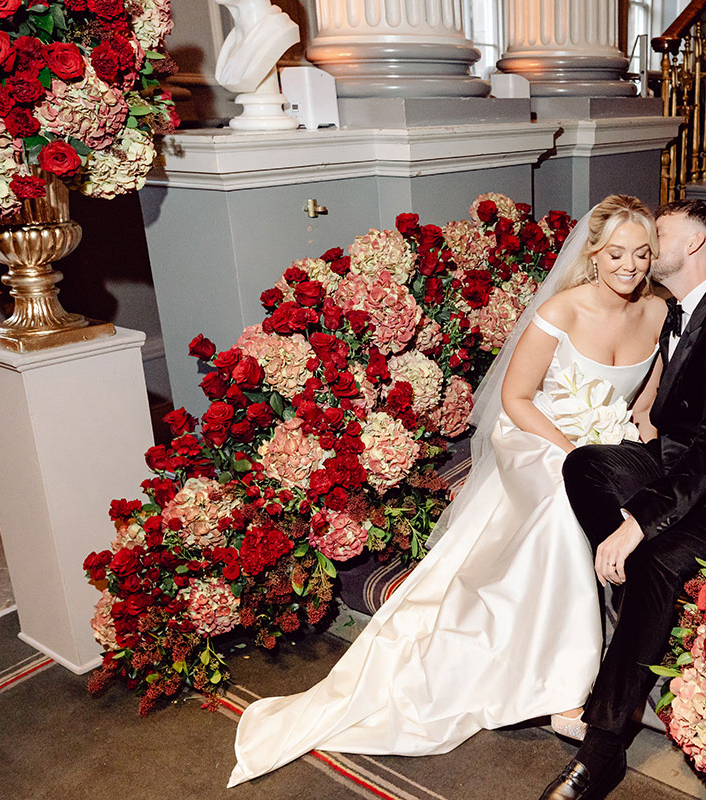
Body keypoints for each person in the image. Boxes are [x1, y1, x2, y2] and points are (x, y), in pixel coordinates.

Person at [227, 195, 668, 786]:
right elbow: (515, 400)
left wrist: (643, 449)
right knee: (563, 502)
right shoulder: (561, 311)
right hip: (538, 435)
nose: (630, 266)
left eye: (642, 255)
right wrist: (573, 451)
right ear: (594, 253)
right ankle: (567, 684)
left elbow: (641, 403)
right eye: (617, 253)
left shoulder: (660, 314)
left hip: (604, 440)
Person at [538, 198, 706, 800]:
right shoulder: (676, 312)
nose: (651, 238)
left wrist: (640, 522)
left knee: (652, 557)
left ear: (696, 245)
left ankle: (602, 751)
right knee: (585, 465)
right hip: (676, 467)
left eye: (662, 231)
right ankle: (628, 591)